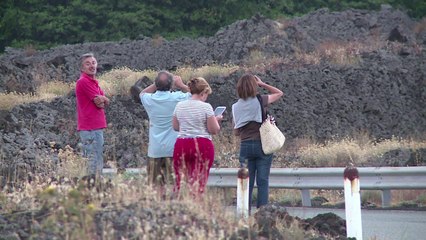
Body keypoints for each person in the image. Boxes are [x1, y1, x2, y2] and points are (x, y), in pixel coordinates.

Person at [232, 74, 283, 210]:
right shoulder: (261, 100)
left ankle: (244, 213)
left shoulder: (235, 107)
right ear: (254, 86)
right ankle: (263, 214)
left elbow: (236, 131)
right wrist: (263, 84)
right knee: (262, 181)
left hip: (245, 145)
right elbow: (279, 93)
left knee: (246, 182)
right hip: (262, 144)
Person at [139, 71, 191, 186]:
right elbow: (194, 95)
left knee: (156, 186)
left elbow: (142, 93)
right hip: (173, 148)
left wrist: (156, 84)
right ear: (171, 85)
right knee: (174, 184)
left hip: (155, 150)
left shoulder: (149, 99)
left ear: (156, 84)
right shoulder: (177, 98)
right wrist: (181, 84)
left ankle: (158, 204)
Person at [172, 77, 222, 196]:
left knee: (181, 181)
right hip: (202, 144)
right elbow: (213, 130)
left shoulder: (179, 105)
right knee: (199, 181)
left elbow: (175, 126)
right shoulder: (206, 107)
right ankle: (196, 206)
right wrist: (216, 119)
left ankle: (181, 206)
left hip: (182, 143)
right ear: (203, 93)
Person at [75, 53, 110, 176]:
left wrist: (104, 99)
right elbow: (100, 103)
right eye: (88, 63)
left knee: (96, 158)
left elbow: (105, 101)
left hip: (94, 127)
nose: (92, 66)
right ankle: (93, 187)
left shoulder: (93, 82)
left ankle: (95, 187)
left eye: (93, 63)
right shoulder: (84, 81)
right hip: (90, 128)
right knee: (93, 160)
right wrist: (103, 99)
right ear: (82, 68)